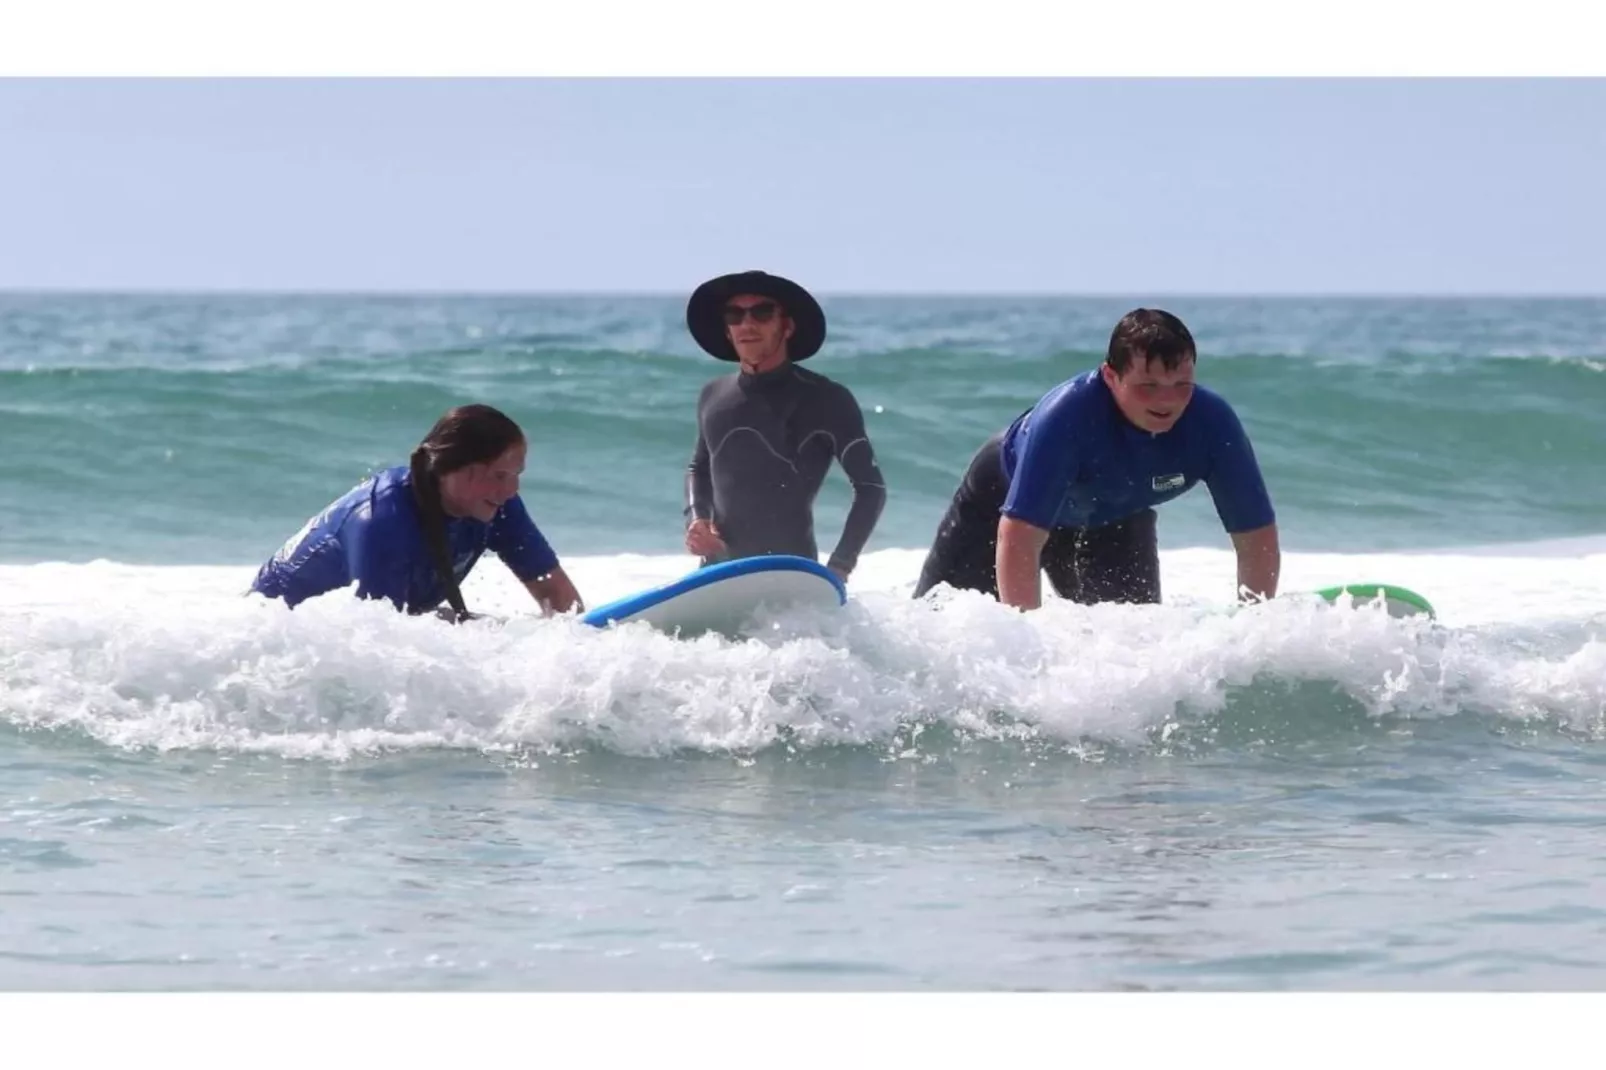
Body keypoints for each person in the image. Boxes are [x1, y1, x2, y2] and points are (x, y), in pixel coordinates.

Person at [912, 308, 1279, 610]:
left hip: (1113, 521)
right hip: (1000, 504)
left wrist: (1254, 621)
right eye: (1147, 386)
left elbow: (1255, 538)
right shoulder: (1066, 416)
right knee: (939, 625)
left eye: (1181, 385)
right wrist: (1027, 645)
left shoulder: (1213, 425)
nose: (1166, 401)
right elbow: (1020, 537)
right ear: (1110, 376)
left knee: (1131, 651)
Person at [251, 403, 583, 620]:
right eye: (499, 475)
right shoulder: (381, 523)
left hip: (376, 627)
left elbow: (556, 594)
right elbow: (379, 650)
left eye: (516, 476)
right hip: (274, 643)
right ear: (451, 467)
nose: (512, 490)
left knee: (485, 629)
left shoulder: (498, 506)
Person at [682, 270, 887, 582]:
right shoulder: (713, 395)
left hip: (790, 579)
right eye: (735, 315)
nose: (747, 324)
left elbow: (870, 488)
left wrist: (840, 565)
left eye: (762, 313)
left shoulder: (826, 399)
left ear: (787, 326)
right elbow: (699, 466)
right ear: (727, 330)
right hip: (717, 577)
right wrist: (697, 519)